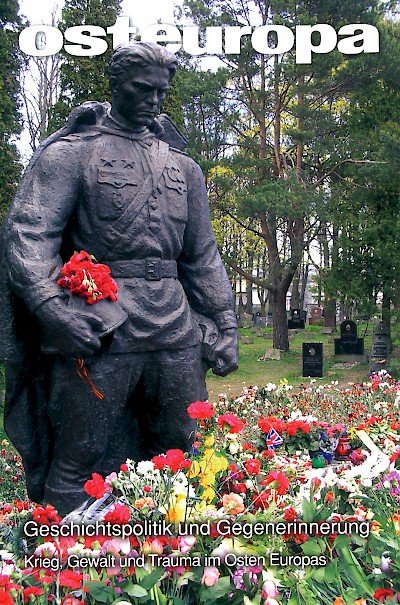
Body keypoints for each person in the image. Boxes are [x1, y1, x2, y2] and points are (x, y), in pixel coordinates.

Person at [2, 42, 238, 513]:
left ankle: (173, 559)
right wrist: (51, 311)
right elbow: (30, 235)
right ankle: (62, 566)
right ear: (116, 85)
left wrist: (226, 324)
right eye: (142, 88)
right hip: (101, 324)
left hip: (173, 324)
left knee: (181, 447)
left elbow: (202, 255)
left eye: (161, 91)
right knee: (80, 455)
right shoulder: (72, 155)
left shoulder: (183, 168)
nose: (153, 99)